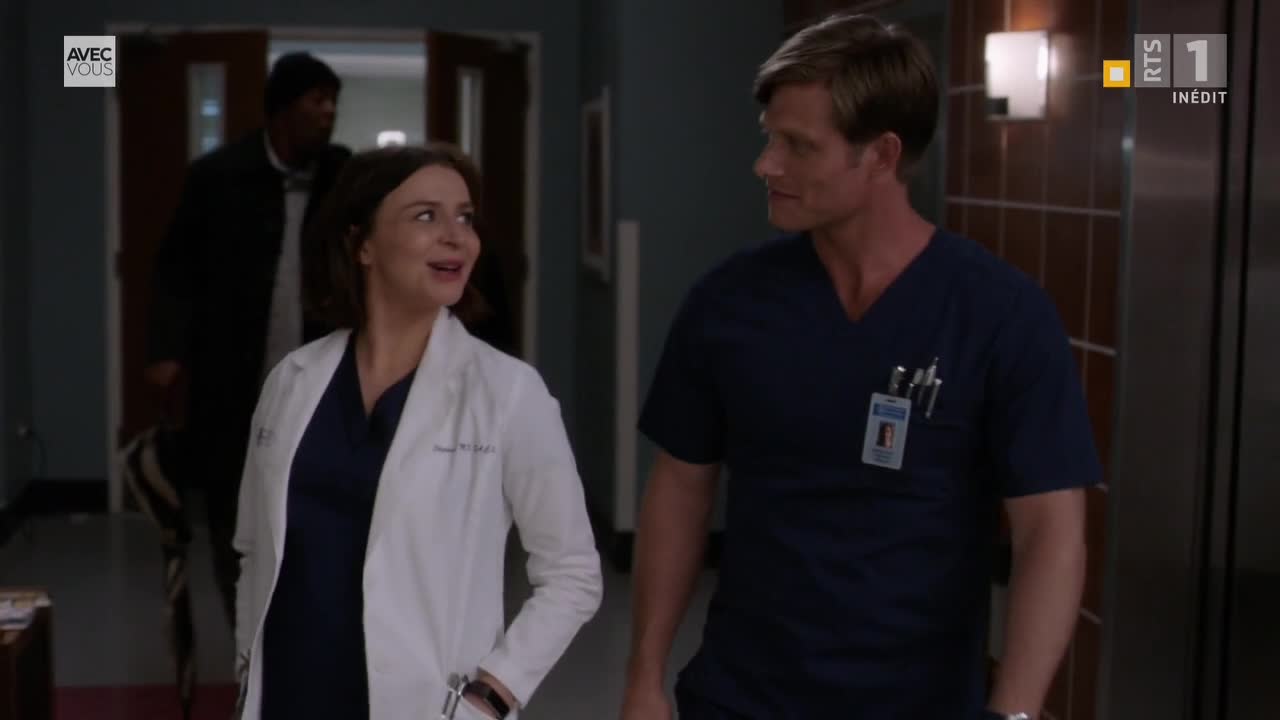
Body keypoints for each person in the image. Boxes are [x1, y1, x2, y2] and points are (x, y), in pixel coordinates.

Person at [621, 13, 1100, 720]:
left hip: (923, 700)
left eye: (798, 145)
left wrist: (1016, 712)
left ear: (881, 155)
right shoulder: (729, 303)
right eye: (769, 138)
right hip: (742, 695)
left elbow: (1050, 532)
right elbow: (681, 487)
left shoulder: (999, 314)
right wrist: (644, 677)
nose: (766, 165)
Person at [231, 144, 603, 720]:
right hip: (287, 696)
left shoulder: (508, 393)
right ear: (362, 243)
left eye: (466, 218)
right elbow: (253, 548)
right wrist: (245, 668)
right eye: (426, 215)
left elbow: (572, 573)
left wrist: (493, 695)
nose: (457, 237)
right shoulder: (292, 381)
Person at [145, 52, 352, 628]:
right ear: (283, 109)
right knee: (232, 510)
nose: (329, 112)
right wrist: (166, 351)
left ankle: (301, 624)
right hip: (232, 378)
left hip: (320, 379)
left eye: (334, 101)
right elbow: (176, 269)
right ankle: (248, 630)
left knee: (313, 504)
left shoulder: (343, 177)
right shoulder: (218, 177)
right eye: (317, 100)